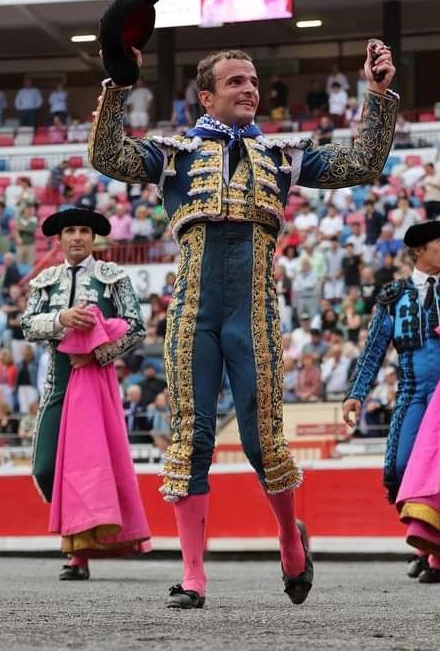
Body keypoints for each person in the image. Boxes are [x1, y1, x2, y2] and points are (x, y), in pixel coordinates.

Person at [89, 40, 399, 608]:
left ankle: (288, 537)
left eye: (253, 81)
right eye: (236, 81)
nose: (250, 89)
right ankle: (193, 576)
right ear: (206, 94)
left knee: (264, 441)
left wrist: (377, 95)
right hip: (192, 315)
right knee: (192, 438)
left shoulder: (282, 155)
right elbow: (108, 156)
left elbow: (362, 163)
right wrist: (118, 85)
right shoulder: (174, 153)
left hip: (253, 314)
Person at [342, 220, 440, 583]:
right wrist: (355, 395)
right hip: (412, 392)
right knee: (400, 470)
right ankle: (423, 548)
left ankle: (434, 560)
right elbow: (373, 351)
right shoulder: (393, 296)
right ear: (419, 250)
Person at [20, 207, 147, 581]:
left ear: (94, 239)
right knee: (45, 469)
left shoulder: (113, 278)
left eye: (84, 232)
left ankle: (78, 556)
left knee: (91, 469)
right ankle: (82, 540)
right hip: (58, 385)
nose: (77, 237)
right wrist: (60, 320)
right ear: (58, 240)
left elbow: (137, 326)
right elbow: (28, 325)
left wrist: (96, 351)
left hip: (94, 382)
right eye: (70, 231)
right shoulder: (44, 280)